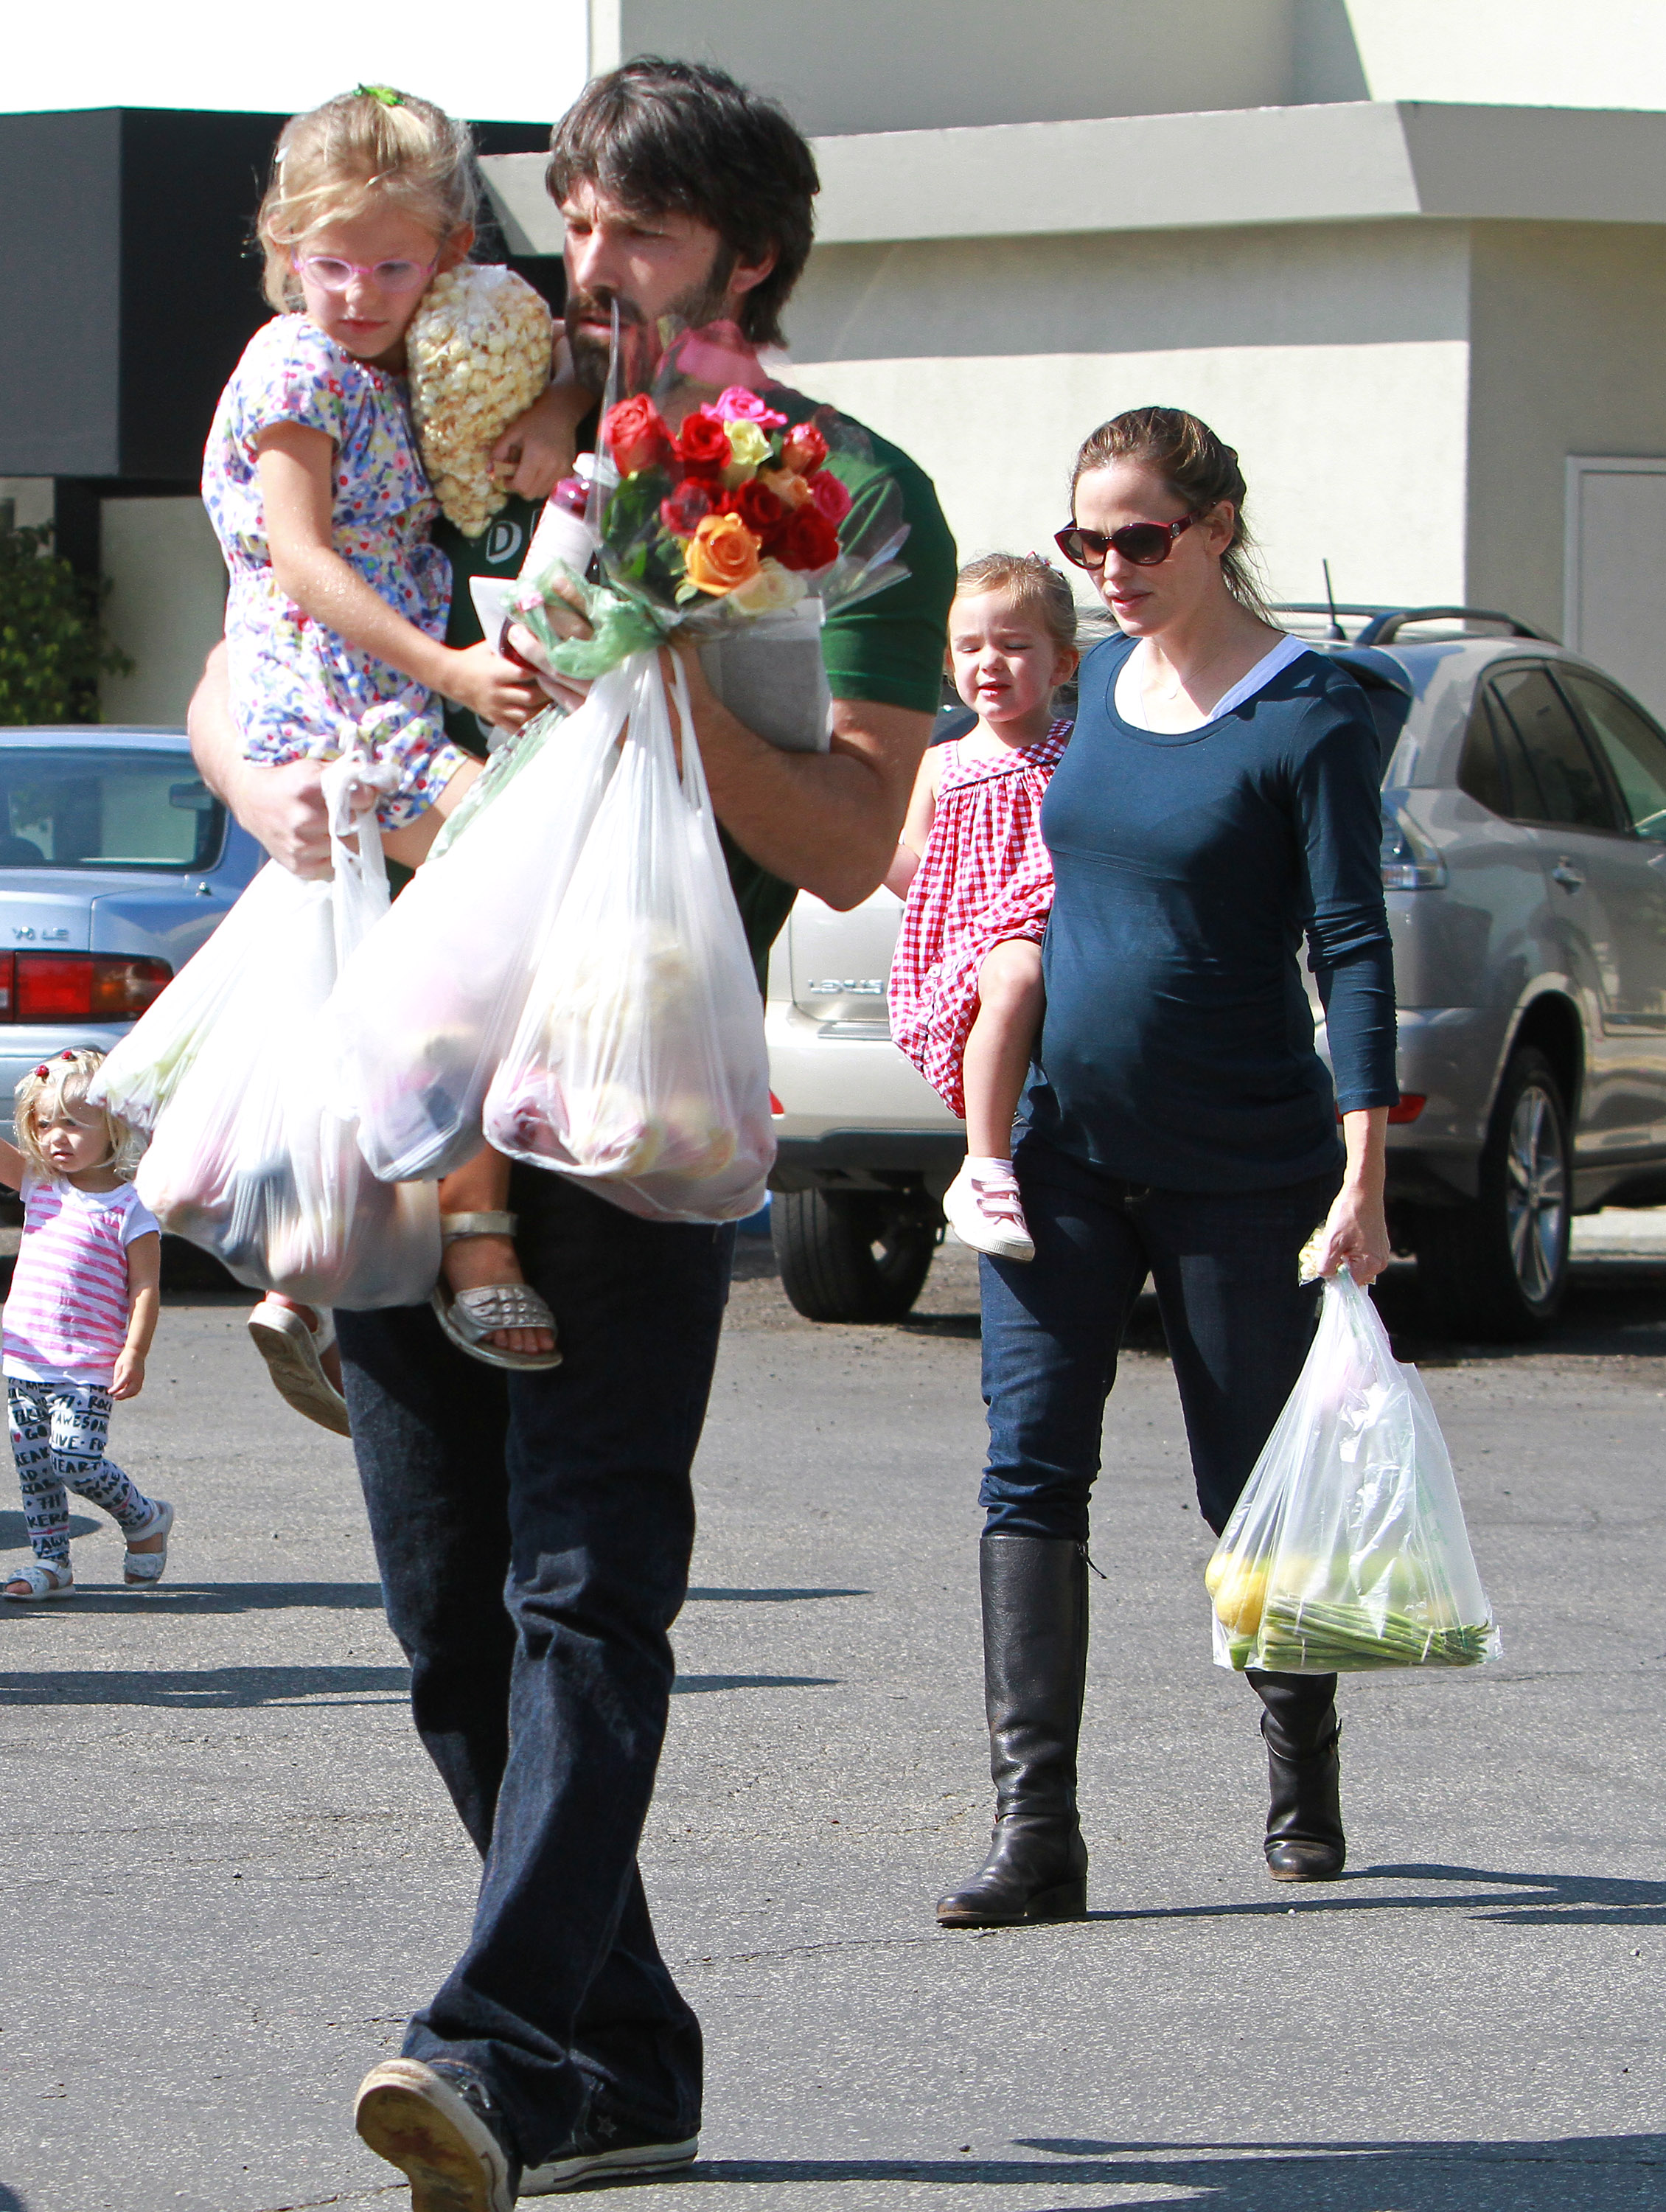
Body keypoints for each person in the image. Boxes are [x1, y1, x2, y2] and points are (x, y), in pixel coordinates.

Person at [189, 58, 956, 2211]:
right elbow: (260, 670)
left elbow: (857, 831)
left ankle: (501, 2040)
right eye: (580, 222)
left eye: (640, 232)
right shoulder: (511, 437)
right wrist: (263, 770)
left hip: (633, 1098)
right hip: (417, 1077)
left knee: (583, 1585)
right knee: (447, 1616)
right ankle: (625, 2051)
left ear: (753, 257)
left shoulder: (839, 492)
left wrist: (665, 674)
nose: (589, 263)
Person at [935, 406, 1397, 1931]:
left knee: (1246, 1488)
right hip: (1062, 1143)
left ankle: (1299, 1749)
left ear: (1212, 527)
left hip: (1240, 1160)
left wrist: (1361, 1172)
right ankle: (1034, 1830)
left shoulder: (1307, 712)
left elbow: (1347, 942)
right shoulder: (1099, 691)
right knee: (1026, 1468)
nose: (1110, 568)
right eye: (1087, 541)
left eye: (1138, 537)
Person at [202, 85, 556, 1430]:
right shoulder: (296, 365)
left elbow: (554, 355)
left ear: (451, 249)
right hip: (344, 705)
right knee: (511, 889)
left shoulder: (416, 351)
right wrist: (455, 672)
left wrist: (564, 407)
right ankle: (470, 1237)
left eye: (390, 265)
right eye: (327, 263)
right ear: (282, 247)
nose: (356, 291)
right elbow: (300, 557)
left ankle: (321, 1258)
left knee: (413, 967)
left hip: (377, 696)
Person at [885, 552, 1077, 1262]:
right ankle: (986, 1166)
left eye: (1015, 645)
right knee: (1014, 976)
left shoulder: (1076, 753)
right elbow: (922, 879)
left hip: (1058, 924)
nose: (989, 663)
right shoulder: (941, 764)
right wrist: (858, 830)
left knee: (1022, 970)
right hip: (976, 945)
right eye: (970, 647)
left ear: (1062, 663)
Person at [0, 1051, 170, 1602]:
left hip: (88, 1363)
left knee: (75, 1460)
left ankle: (144, 1518)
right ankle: (52, 1564)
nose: (57, 1138)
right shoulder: (39, 1184)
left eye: (74, 1123)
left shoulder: (130, 1207)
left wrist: (135, 1350)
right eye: (44, 1124)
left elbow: (145, 1287)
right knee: (35, 1470)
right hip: (25, 1359)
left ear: (114, 1127)